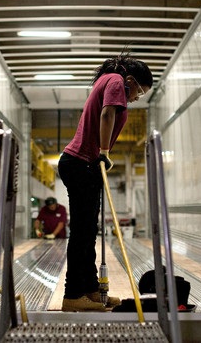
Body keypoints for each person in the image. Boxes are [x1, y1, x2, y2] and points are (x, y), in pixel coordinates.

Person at [58, 52, 152, 312]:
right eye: (139, 93)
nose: (135, 99)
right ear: (130, 81)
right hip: (81, 163)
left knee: (87, 233)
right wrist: (104, 152)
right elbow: (107, 114)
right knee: (81, 234)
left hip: (83, 164)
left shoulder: (109, 81)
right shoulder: (115, 82)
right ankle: (72, 294)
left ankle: (89, 290)